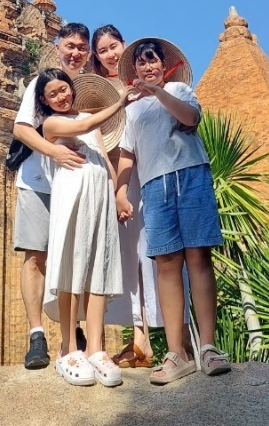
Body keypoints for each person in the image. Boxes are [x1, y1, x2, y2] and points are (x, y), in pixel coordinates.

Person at [115, 38, 232, 385]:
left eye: (153, 60)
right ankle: (176, 352)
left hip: (190, 174)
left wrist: (157, 90)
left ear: (164, 66)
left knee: (198, 257)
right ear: (134, 69)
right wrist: (120, 191)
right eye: (141, 62)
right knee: (166, 264)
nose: (147, 66)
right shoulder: (132, 111)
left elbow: (190, 118)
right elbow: (127, 153)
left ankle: (207, 346)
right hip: (154, 184)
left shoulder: (179, 90)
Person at [37, 69, 133, 386]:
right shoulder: (51, 124)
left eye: (64, 89)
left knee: (97, 268)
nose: (61, 97)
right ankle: (69, 349)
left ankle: (95, 348)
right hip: (72, 195)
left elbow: (103, 155)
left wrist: (117, 195)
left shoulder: (89, 120)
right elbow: (83, 127)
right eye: (53, 94)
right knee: (72, 266)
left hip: (99, 196)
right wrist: (119, 102)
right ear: (44, 100)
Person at [12, 23, 91, 369]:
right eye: (69, 45)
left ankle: (72, 331)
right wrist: (53, 152)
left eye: (81, 48)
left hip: (75, 182)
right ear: (57, 46)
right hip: (38, 182)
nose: (75, 53)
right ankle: (36, 335)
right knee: (35, 255)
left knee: (74, 256)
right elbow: (20, 128)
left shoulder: (88, 88)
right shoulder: (41, 83)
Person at [91, 24, 160, 368]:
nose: (109, 54)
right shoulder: (95, 91)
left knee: (148, 253)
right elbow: (97, 137)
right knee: (124, 257)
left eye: (113, 46)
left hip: (145, 172)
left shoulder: (143, 83)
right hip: (115, 177)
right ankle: (138, 339)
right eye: (102, 50)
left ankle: (156, 339)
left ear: (124, 44)